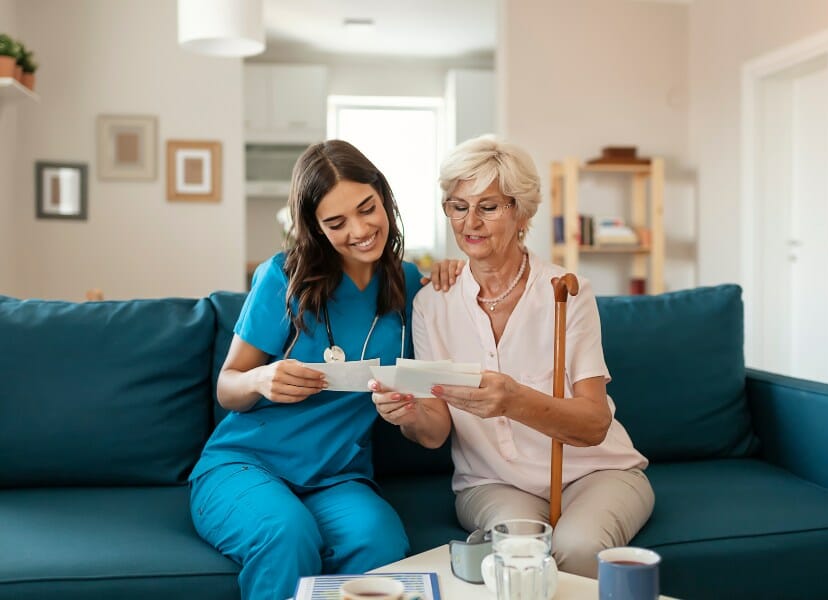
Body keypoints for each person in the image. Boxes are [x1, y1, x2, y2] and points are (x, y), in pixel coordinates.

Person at [372, 136, 654, 578]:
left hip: (596, 472)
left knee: (577, 547)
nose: (470, 222)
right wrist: (408, 413)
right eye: (458, 206)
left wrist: (514, 400)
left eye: (489, 207)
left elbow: (595, 423)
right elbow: (434, 432)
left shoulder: (566, 292)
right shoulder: (433, 302)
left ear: (521, 212)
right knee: (520, 551)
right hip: (492, 483)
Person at [189, 140, 421, 600]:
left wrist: (458, 271)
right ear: (315, 228)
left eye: (366, 208)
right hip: (245, 464)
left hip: (337, 477)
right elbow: (227, 387)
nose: (359, 230)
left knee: (381, 540)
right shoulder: (283, 277)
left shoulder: (410, 284)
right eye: (336, 223)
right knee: (285, 534)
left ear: (383, 197)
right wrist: (261, 379)